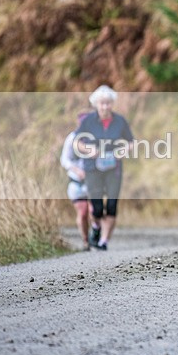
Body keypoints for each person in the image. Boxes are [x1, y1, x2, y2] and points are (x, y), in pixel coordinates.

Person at [74, 85, 135, 251]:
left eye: (108, 103)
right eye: (102, 103)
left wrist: (124, 150)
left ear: (112, 104)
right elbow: (77, 142)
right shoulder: (88, 121)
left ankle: (104, 241)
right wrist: (89, 150)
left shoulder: (120, 121)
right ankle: (96, 226)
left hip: (113, 167)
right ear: (96, 104)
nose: (105, 106)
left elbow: (131, 142)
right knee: (97, 206)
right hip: (92, 167)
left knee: (112, 204)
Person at [60, 111, 98, 250]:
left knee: (95, 211)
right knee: (82, 213)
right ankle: (86, 241)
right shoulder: (72, 139)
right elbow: (64, 160)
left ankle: (96, 231)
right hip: (76, 182)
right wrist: (77, 170)